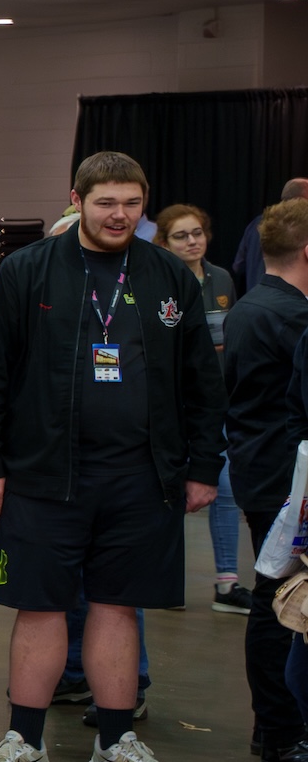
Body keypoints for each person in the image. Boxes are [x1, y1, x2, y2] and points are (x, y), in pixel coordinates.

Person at [0, 152, 222, 762]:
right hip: (44, 472)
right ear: (75, 199)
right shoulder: (29, 270)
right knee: (40, 604)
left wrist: (203, 466)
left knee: (117, 605)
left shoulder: (168, 276)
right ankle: (25, 741)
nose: (120, 215)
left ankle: (115, 742)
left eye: (133, 203)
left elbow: (202, 382)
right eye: (106, 202)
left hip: (141, 474)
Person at [220, 195, 308, 762]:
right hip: (284, 479)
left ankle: (274, 729)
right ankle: (280, 732)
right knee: (285, 607)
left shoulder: (251, 307)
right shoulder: (291, 316)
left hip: (260, 468)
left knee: (274, 601)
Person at [154, 204, 246, 614]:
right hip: (171, 407)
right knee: (169, 493)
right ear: (164, 243)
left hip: (216, 404)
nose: (192, 241)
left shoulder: (223, 278)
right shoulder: (155, 279)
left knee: (224, 489)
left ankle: (227, 582)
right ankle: (164, 579)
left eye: (197, 233)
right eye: (181, 235)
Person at [230, 177, 308, 293]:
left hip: (255, 299)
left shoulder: (256, 224)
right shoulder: (300, 227)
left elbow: (238, 266)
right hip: (287, 302)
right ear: (302, 200)